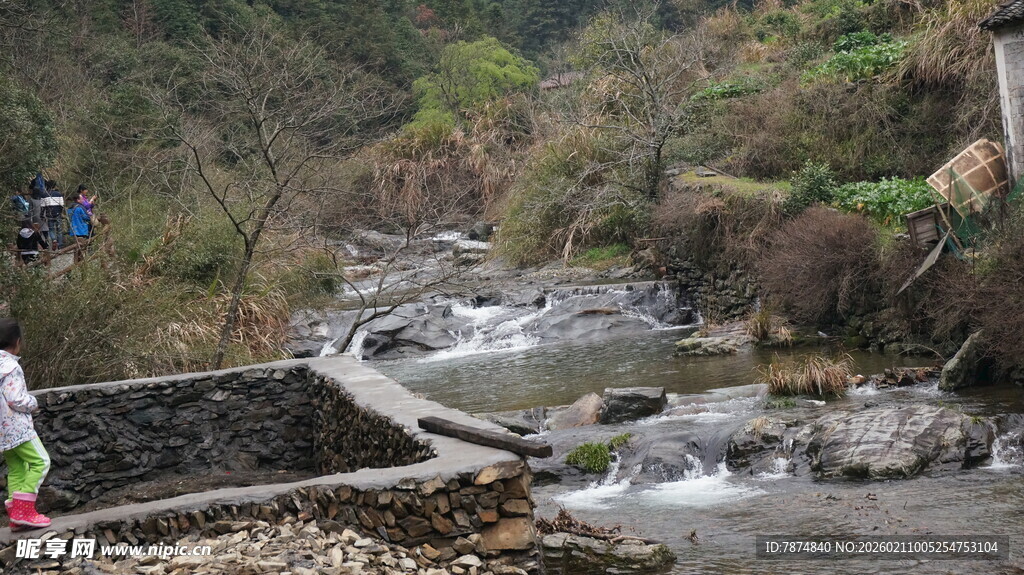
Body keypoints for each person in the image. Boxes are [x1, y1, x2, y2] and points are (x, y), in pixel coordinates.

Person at [0, 318, 51, 530]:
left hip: (2, 433)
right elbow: (15, 399)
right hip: (18, 429)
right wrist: (33, 403)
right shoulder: (11, 367)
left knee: (16, 469)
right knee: (41, 461)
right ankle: (24, 511)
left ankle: (15, 517)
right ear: (17, 342)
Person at [39, 181, 63, 250]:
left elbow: (42, 207)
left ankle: (54, 240)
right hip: (57, 214)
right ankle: (60, 246)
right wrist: (60, 212)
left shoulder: (44, 195)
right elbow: (61, 205)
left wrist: (42, 215)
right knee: (59, 230)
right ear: (54, 186)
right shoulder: (59, 194)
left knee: (51, 229)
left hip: (49, 215)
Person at [67, 193, 90, 262]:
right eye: (81, 199)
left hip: (73, 230)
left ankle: (76, 261)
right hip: (81, 229)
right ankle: (81, 262)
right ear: (78, 200)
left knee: (76, 246)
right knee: (82, 247)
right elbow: (86, 217)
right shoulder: (80, 208)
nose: (83, 200)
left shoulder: (69, 209)